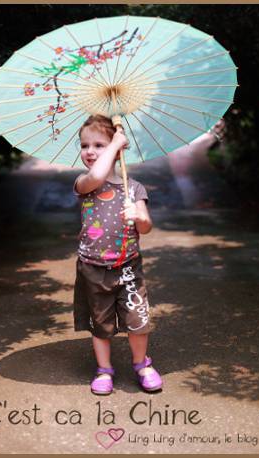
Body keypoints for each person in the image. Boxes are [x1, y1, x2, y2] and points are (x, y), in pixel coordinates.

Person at [73, 114, 162, 395]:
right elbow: (97, 175)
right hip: (93, 267)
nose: (89, 151)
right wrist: (114, 145)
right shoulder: (84, 182)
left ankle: (141, 364)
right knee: (101, 323)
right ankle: (104, 369)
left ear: (117, 147)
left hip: (128, 266)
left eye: (98, 145)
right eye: (85, 145)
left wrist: (138, 215)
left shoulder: (133, 188)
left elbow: (146, 228)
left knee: (137, 320)